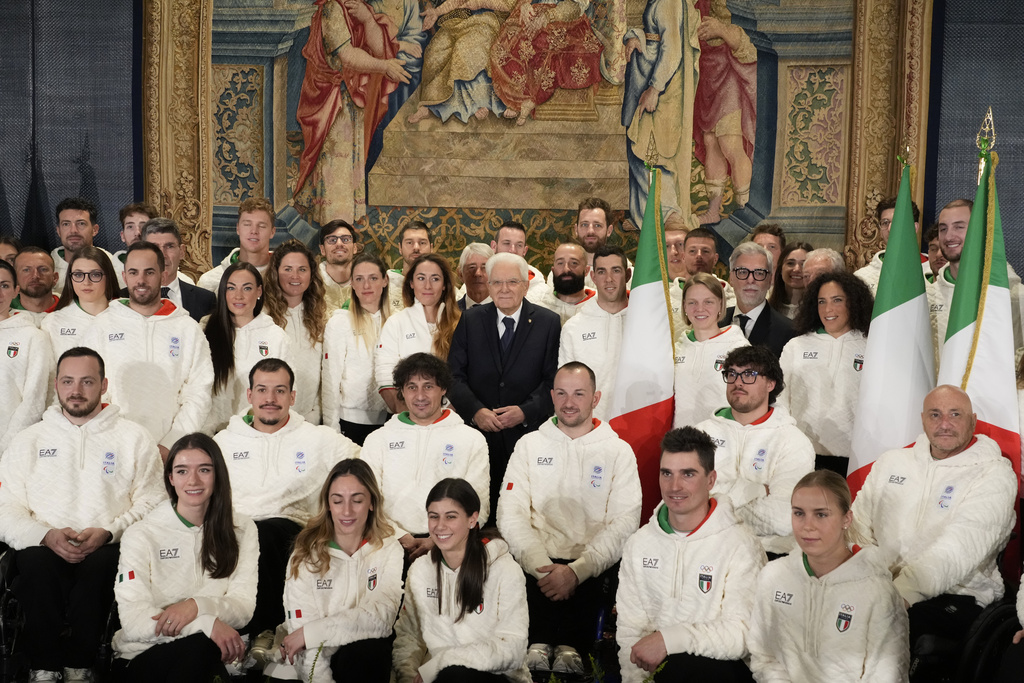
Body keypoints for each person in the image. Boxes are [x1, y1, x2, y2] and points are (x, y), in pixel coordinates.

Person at [0, 347, 163, 682]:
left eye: (87, 381)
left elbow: (153, 502)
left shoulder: (134, 438)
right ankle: (42, 669)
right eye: (68, 381)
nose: (76, 390)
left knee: (103, 565)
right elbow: (6, 506)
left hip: (107, 547)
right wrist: (44, 535)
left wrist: (109, 531)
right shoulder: (28, 440)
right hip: (41, 545)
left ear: (103, 385)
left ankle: (80, 667)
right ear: (57, 385)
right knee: (34, 564)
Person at [851, 385, 1017, 682]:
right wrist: (864, 576)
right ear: (922, 419)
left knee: (882, 632)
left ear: (973, 421)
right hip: (879, 581)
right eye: (935, 414)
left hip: (956, 593)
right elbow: (857, 527)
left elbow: (957, 550)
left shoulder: (994, 473)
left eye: (955, 414)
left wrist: (898, 593)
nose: (944, 424)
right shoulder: (892, 463)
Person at [498, 362, 641, 671]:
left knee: (574, 657)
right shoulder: (529, 445)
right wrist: (541, 567)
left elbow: (625, 522)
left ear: (596, 398)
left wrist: (577, 571)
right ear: (551, 396)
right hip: (535, 568)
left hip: (590, 571)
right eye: (561, 393)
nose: (569, 402)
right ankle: (537, 642)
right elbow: (510, 513)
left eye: (579, 393)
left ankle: (572, 647)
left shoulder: (618, 452)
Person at [213, 358, 359, 650]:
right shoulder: (223, 443)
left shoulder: (320, 439)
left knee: (264, 534)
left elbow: (365, 468)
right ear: (249, 395)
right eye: (263, 390)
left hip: (290, 529)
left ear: (293, 396)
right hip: (233, 529)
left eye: (280, 391)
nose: (270, 399)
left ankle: (263, 631)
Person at [616, 427, 764, 683]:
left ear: (710, 479)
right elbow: (630, 634)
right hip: (659, 674)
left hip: (721, 672)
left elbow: (741, 635)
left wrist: (668, 640)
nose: (675, 486)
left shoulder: (741, 544)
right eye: (667, 473)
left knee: (687, 665)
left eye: (688, 474)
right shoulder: (639, 544)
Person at [111, 434, 258, 682]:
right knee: (200, 646)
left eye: (204, 470)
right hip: (140, 658)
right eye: (182, 471)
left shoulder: (242, 529)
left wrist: (195, 606)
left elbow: (243, 608)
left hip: (209, 654)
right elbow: (134, 621)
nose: (193, 480)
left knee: (203, 650)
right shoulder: (141, 534)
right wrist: (205, 623)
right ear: (171, 478)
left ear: (218, 474)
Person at [748, 471, 910, 682]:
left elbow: (887, 676)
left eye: (821, 514)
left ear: (846, 519)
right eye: (799, 513)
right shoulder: (773, 576)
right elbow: (764, 657)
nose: (807, 525)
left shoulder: (877, 592)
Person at [448, 252, 561, 523]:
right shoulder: (470, 320)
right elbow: (452, 376)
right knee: (480, 515)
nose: (504, 289)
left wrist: (525, 412)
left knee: (524, 515)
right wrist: (476, 412)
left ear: (525, 285)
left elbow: (553, 381)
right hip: (479, 437)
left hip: (527, 437)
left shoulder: (548, 323)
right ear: (488, 285)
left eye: (512, 282)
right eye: (497, 282)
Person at [273, 459, 403, 683]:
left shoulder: (388, 547)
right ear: (328, 504)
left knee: (367, 649)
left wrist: (312, 633)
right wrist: (309, 637)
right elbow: (303, 642)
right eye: (338, 500)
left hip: (362, 658)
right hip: (313, 662)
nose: (347, 511)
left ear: (371, 502)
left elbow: (381, 618)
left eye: (357, 500)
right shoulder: (306, 551)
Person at [393, 478, 531, 683]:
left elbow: (513, 649)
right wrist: (408, 678)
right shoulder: (421, 570)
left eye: (451, 517)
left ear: (472, 519)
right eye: (434, 516)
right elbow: (409, 638)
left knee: (455, 675)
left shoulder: (504, 569)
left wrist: (441, 663)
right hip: (438, 677)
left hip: (497, 677)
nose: (440, 526)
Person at [362, 353, 489, 560]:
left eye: (428, 386)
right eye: (412, 387)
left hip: (450, 544)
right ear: (402, 391)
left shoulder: (471, 439)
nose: (420, 396)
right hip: (386, 542)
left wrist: (437, 539)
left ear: (444, 389)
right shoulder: (378, 439)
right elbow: (365, 499)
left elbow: (479, 506)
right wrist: (398, 535)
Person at [293, 0, 408, 226]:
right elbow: (346, 54)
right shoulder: (332, 9)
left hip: (350, 97)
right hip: (330, 97)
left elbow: (377, 48)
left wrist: (367, 19)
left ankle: (342, 229)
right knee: (336, 162)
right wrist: (384, 67)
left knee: (348, 163)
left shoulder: (357, 6)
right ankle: (333, 228)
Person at [693, 345, 815, 555]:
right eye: (732, 374)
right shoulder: (700, 433)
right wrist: (756, 491)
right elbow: (685, 499)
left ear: (770, 383)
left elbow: (785, 517)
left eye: (749, 374)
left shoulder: (793, 441)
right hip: (703, 546)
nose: (738, 382)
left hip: (767, 553)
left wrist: (712, 506)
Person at [99, 242, 214, 458]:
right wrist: (110, 437)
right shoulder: (102, 326)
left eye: (149, 272)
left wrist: (171, 444)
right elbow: (92, 389)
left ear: (163, 276)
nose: (140, 280)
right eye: (134, 272)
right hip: (112, 447)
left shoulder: (187, 328)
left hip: (171, 451)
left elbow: (199, 392)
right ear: (124, 276)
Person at [779, 271, 872, 475]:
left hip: (856, 459)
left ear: (853, 302)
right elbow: (781, 400)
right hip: (802, 454)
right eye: (822, 301)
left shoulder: (872, 346)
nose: (828, 309)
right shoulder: (796, 346)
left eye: (837, 300)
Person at [622, 0, 700, 230]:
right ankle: (643, 217)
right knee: (641, 150)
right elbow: (654, 35)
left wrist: (655, 89)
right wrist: (635, 36)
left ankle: (668, 217)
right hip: (649, 77)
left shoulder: (669, 1)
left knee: (653, 152)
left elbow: (672, 50)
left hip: (663, 88)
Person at [203, 263, 293, 432]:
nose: (238, 296)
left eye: (247, 288)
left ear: (259, 292)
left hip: (257, 433)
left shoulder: (276, 336)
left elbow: (287, 391)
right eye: (231, 288)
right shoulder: (205, 331)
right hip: (211, 434)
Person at [692, 0, 757, 225]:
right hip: (706, 73)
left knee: (730, 144)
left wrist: (721, 30)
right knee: (711, 143)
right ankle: (714, 210)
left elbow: (748, 40)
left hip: (728, 74)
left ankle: (744, 208)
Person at [929, 197, 1024, 351]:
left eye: (959, 227)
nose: (948, 236)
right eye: (943, 229)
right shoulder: (928, 297)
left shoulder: (1015, 297)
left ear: (979, 230)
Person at [488, 0, 603, 126]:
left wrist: (548, 16)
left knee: (540, 43)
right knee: (506, 42)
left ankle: (531, 99)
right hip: (537, 11)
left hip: (566, 20)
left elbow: (576, 7)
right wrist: (525, 7)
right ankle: (516, 98)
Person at [376, 253, 461, 414]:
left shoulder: (462, 323)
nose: (427, 286)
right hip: (406, 414)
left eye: (435, 279)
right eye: (421, 278)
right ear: (411, 283)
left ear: (444, 285)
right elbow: (385, 375)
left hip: (451, 416)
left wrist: (449, 412)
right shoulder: (396, 323)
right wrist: (408, 415)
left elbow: (466, 375)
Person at [322, 253, 392, 445]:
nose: (366, 286)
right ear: (352, 283)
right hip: (350, 421)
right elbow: (330, 380)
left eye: (373, 278)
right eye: (359, 279)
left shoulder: (396, 322)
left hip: (389, 419)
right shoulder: (340, 323)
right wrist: (331, 429)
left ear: (385, 280)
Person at [407, 0, 513, 124]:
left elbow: (509, 5)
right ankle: (430, 105)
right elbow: (458, 1)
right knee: (436, 50)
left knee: (464, 48)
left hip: (489, 21)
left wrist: (480, 3)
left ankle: (477, 103)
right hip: (461, 20)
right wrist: (437, 12)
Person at [558, 246, 630, 420]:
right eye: (602, 272)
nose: (609, 279)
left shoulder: (645, 323)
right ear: (593, 277)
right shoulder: (574, 328)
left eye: (616, 271)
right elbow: (565, 386)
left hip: (638, 422)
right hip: (592, 426)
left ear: (627, 275)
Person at [263, 239, 327, 424]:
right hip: (271, 416)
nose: (295, 276)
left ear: (311, 274)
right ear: (276, 273)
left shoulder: (322, 317)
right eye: (288, 269)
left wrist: (315, 414)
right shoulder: (262, 317)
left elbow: (325, 374)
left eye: (302, 269)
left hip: (310, 419)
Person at [673, 273, 748, 427]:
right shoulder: (677, 348)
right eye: (692, 302)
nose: (700, 309)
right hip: (681, 442)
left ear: (720, 304)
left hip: (722, 440)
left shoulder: (739, 348)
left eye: (708, 302)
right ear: (684, 306)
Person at [0, 258, 52, 452]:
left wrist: (7, 448)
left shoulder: (32, 337)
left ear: (16, 290)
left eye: (4, 285)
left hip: (10, 449)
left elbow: (34, 402)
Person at [720, 241, 796, 358]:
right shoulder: (716, 322)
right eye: (743, 272)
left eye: (759, 273)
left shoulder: (788, 332)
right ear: (731, 278)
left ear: (770, 279)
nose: (750, 280)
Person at [43, 245, 119, 360]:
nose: (86, 282)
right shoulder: (52, 322)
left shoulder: (127, 316)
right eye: (78, 275)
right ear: (70, 278)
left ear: (108, 276)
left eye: (95, 274)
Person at [141, 218, 216, 322]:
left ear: (181, 251)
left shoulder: (205, 299)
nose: (163, 255)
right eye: (154, 247)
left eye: (169, 246)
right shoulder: (124, 298)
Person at [197, 198, 276, 293]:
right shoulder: (210, 282)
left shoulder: (285, 278)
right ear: (238, 228)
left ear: (272, 232)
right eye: (247, 224)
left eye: (262, 226)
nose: (254, 231)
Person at [50, 197, 126, 294]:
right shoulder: (46, 269)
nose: (73, 230)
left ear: (95, 229)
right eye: (66, 224)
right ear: (58, 231)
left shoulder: (114, 268)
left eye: (81, 223)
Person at [853, 196, 926, 296]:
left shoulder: (932, 273)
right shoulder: (861, 278)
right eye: (885, 223)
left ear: (915, 228)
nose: (890, 228)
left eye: (898, 221)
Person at [538, 242, 596, 325]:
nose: (566, 269)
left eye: (574, 263)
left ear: (586, 270)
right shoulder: (540, 308)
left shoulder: (600, 307)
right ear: (553, 270)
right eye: (560, 263)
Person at [490, 220, 548, 301]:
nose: (513, 250)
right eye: (506, 243)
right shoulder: (478, 282)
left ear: (524, 251)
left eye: (519, 245)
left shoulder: (541, 290)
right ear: (493, 246)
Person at [387, 220, 432, 312]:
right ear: (400, 248)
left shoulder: (443, 286)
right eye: (409, 242)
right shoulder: (384, 284)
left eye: (422, 243)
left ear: (431, 248)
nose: (416, 247)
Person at [318, 219, 359, 313]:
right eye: (332, 240)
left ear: (355, 248)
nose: (339, 244)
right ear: (322, 249)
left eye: (345, 239)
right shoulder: (311, 283)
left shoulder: (368, 283)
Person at [12, 247, 59, 322]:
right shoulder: (4, 314)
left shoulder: (72, 310)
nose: (35, 276)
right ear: (15, 278)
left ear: (55, 278)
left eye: (43, 269)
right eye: (26, 270)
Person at [767, 241, 812, 320]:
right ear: (780, 269)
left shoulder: (820, 310)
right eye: (790, 263)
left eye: (803, 264)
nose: (797, 269)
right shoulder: (766, 308)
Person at [113, 202, 158, 267]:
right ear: (122, 236)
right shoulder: (109, 272)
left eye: (143, 226)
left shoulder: (170, 273)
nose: (137, 232)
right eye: (130, 227)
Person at [455, 243, 494, 310]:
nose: (478, 273)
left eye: (484, 267)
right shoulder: (450, 313)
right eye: (472, 267)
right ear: (460, 274)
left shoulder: (506, 310)